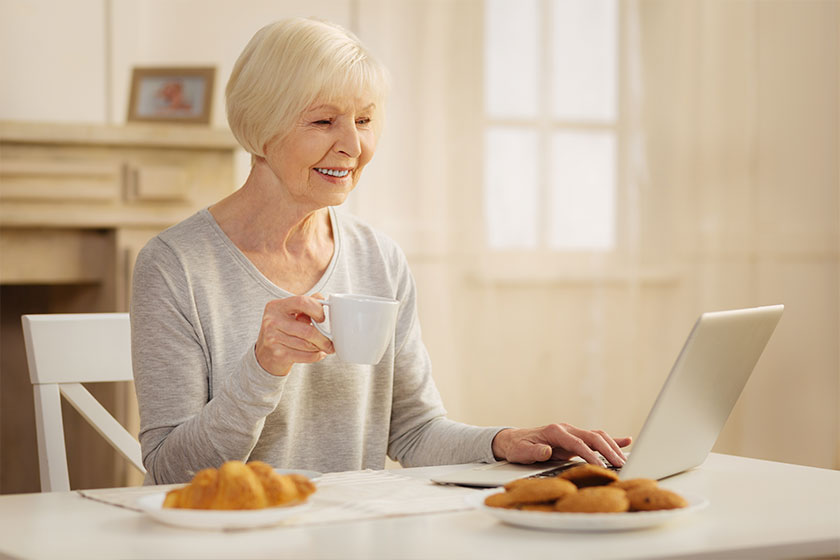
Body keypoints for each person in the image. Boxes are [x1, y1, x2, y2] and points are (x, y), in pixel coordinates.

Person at [130, 17, 630, 485]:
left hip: (357, 537)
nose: (353, 146)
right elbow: (170, 474)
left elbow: (413, 430)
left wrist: (504, 442)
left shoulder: (378, 259)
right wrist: (260, 369)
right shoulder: (175, 266)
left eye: (364, 120)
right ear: (261, 126)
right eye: (324, 121)